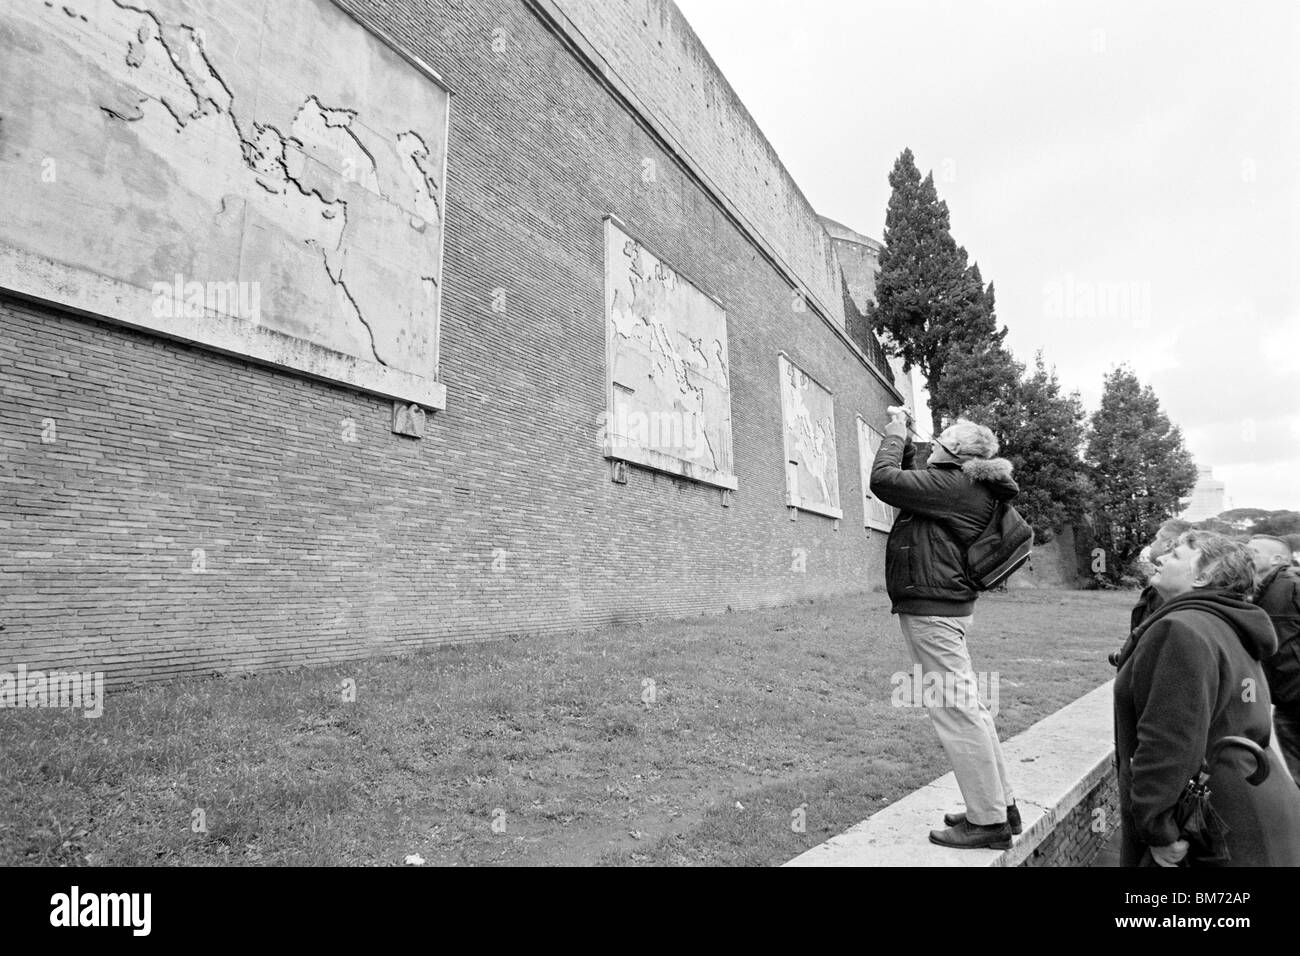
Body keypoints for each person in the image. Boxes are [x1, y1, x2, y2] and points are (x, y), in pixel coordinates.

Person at [870, 410, 1020, 849]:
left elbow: (884, 481)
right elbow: (916, 480)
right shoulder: (961, 486)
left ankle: (988, 821)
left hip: (933, 614)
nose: (933, 441)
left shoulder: (955, 487)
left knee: (956, 712)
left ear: (954, 453)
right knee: (969, 708)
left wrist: (895, 432)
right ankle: (1000, 806)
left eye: (941, 439)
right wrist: (912, 440)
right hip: (945, 609)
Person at [1113, 531, 1300, 866]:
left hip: (1213, 826)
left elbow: (1168, 739)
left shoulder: (1182, 629)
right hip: (1252, 807)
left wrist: (1157, 828)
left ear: (1202, 576)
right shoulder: (1227, 624)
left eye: (1176, 555)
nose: (1161, 558)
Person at [1247, 534, 1300, 787]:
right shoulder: (1261, 590)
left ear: (1277, 559)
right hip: (1285, 702)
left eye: (1254, 552)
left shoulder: (1292, 584)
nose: (1247, 556)